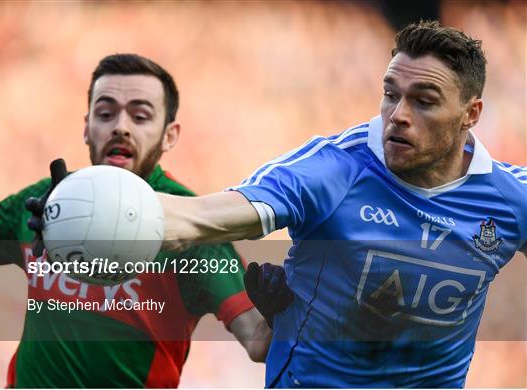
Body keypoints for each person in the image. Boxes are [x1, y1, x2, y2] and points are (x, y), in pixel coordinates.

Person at [148, 21, 526, 387]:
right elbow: (202, 219)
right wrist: (114, 212)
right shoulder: (334, 169)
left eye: (424, 101)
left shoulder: (510, 197)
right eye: (391, 94)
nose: (399, 116)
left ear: (470, 115)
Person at [0, 53, 270, 388]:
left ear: (169, 135)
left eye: (140, 116)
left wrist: (288, 300)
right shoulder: (40, 203)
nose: (120, 127)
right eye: (105, 114)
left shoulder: (194, 229)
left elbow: (258, 339)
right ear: (86, 127)